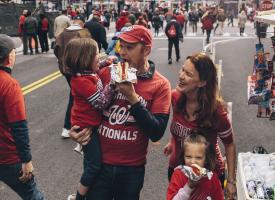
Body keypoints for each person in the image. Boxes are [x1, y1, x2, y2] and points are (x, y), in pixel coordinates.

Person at [69, 25, 171, 200]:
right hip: (99, 164)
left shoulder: (161, 85)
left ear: (146, 50)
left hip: (131, 169)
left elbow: (156, 133)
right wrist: (75, 130)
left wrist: (132, 97)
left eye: (129, 47)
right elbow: (79, 103)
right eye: (120, 46)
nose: (122, 52)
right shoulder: (104, 72)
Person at [163, 53, 237, 200]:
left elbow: (229, 144)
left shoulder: (216, 112)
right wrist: (173, 141)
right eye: (182, 70)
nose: (181, 76)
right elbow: (179, 125)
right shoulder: (175, 97)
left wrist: (231, 181)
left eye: (188, 74)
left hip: (209, 174)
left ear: (202, 82)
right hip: (177, 169)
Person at [64, 38, 115, 200]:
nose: (99, 57)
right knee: (94, 165)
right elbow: (100, 103)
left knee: (90, 162)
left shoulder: (87, 73)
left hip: (88, 124)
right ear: (85, 59)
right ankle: (80, 196)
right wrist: (113, 84)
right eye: (96, 55)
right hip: (84, 128)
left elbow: (97, 68)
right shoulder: (81, 81)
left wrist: (107, 62)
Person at [0, 34, 44, 199]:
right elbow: (19, 126)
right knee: (33, 195)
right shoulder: (9, 85)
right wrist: (26, 161)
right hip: (8, 157)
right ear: (10, 56)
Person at [54, 16, 91, 138]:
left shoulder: (62, 34)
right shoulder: (82, 33)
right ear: (82, 25)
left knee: (75, 94)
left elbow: (56, 49)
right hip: (80, 69)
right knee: (76, 95)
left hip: (66, 70)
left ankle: (70, 125)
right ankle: (69, 126)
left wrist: (61, 60)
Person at [167, 133, 224, 200]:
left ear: (205, 159)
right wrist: (188, 186)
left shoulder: (212, 178)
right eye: (188, 157)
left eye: (198, 158)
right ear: (183, 157)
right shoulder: (178, 175)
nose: (193, 162)